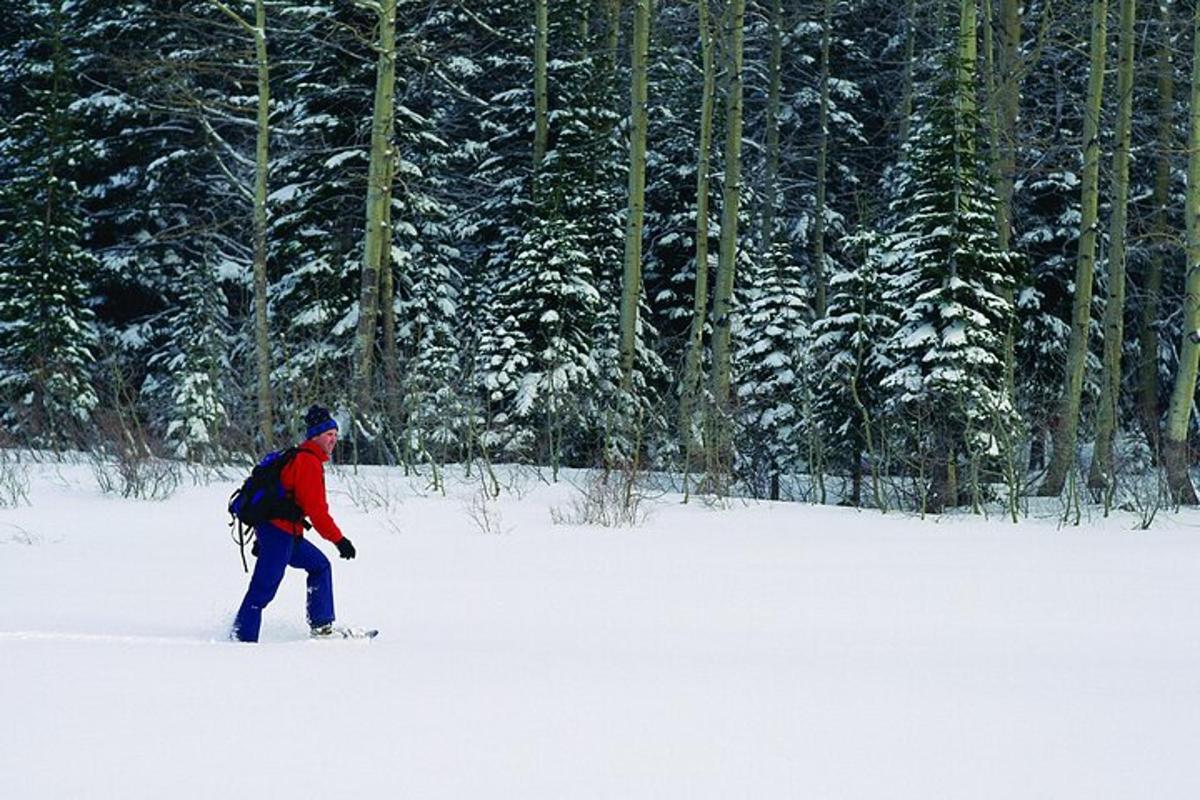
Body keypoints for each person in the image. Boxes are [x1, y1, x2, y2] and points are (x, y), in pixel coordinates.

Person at [231, 405, 357, 642]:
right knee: (263, 589)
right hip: (278, 533)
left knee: (319, 565)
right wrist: (339, 540)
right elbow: (317, 512)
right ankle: (242, 639)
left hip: (286, 532)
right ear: (315, 436)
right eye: (329, 435)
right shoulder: (307, 463)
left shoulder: (301, 457)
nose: (333, 440)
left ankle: (321, 627)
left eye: (335, 435)